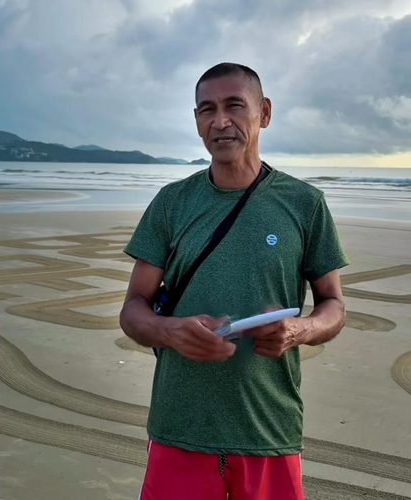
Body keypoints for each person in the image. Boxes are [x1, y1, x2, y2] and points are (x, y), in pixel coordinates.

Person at [119, 62, 349, 500]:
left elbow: (333, 306)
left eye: (234, 106)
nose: (220, 121)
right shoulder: (171, 202)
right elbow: (133, 308)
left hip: (268, 428)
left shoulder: (305, 204)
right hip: (179, 427)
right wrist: (170, 331)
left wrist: (299, 330)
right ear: (196, 121)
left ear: (264, 112)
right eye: (207, 109)